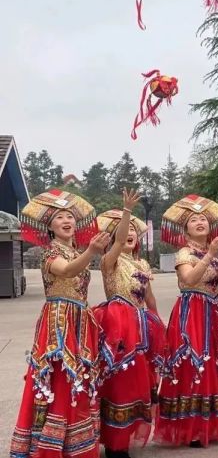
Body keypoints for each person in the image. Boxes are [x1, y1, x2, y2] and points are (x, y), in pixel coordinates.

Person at [10, 189, 110, 458]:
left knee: (79, 379)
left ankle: (75, 444)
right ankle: (49, 446)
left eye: (70, 217)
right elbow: (66, 271)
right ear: (50, 227)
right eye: (59, 217)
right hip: (59, 322)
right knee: (59, 378)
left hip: (80, 320)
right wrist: (91, 251)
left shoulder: (75, 250)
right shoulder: (49, 253)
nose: (67, 221)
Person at [154, 194, 218, 447]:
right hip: (192, 313)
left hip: (212, 311)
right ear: (185, 228)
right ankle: (191, 426)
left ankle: (208, 423)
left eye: (203, 219)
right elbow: (189, 281)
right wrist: (210, 254)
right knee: (193, 363)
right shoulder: (184, 253)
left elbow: (215, 284)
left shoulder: (209, 250)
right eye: (193, 220)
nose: (200, 222)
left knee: (213, 364)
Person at [93, 190, 166, 458]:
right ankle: (114, 443)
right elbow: (120, 238)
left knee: (138, 382)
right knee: (118, 382)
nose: (131, 233)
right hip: (116, 324)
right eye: (125, 231)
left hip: (141, 325)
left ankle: (124, 436)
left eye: (136, 229)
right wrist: (126, 212)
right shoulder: (108, 261)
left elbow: (149, 297)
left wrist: (158, 323)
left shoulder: (142, 263)